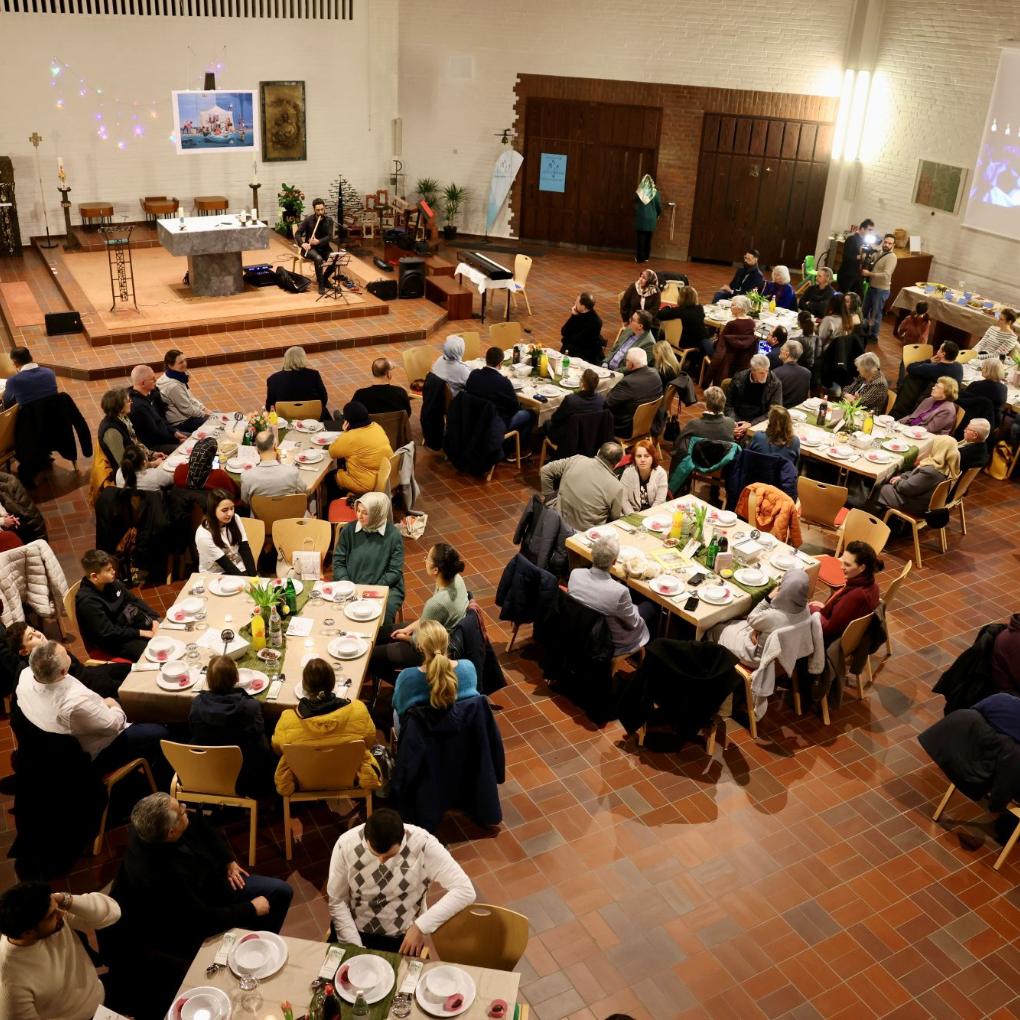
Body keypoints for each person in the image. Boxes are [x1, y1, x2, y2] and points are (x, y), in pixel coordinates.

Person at [112, 793, 293, 957]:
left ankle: (259, 944)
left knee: (280, 891)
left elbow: (201, 825)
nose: (185, 808)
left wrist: (228, 860)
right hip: (189, 917)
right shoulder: (160, 875)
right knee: (266, 901)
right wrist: (251, 908)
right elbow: (200, 918)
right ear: (171, 832)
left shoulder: (159, 826)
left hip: (209, 883)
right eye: (181, 811)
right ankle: (248, 952)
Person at [327, 807, 476, 954]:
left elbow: (465, 890)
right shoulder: (345, 844)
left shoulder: (424, 845)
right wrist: (355, 948)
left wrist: (420, 926)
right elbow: (337, 901)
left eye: (389, 856)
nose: (381, 861)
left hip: (400, 937)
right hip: (354, 930)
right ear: (366, 839)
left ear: (402, 837)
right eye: (375, 854)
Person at [17, 639, 168, 771]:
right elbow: (113, 726)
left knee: (142, 701)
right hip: (101, 748)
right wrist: (114, 705)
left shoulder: (25, 676)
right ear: (63, 671)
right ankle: (159, 771)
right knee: (161, 732)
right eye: (66, 655)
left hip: (76, 728)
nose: (69, 654)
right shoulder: (73, 704)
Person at [0, 882, 121, 1020]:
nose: (61, 913)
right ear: (28, 932)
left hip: (100, 999)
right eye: (52, 915)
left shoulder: (53, 922)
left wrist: (64, 899)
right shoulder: (9, 980)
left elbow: (113, 913)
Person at [271, 657, 381, 795]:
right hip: (350, 775)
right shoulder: (358, 711)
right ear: (333, 683)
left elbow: (277, 748)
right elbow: (370, 741)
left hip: (304, 778)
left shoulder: (287, 720)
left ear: (304, 687)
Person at [372, 543, 469, 674]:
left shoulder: (436, 604)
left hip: (431, 651)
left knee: (371, 656)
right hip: (435, 633)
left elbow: (420, 642)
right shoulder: (456, 579)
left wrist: (405, 637)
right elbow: (427, 619)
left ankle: (401, 680)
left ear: (436, 570)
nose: (425, 560)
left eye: (427, 558)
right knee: (378, 633)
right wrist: (408, 629)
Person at [189, 655, 274, 797]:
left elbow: (193, 729)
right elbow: (258, 733)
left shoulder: (197, 704)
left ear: (208, 680)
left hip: (207, 771)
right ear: (237, 678)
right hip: (245, 777)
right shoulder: (251, 706)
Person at [568, 533, 657, 656]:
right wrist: (634, 607)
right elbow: (633, 623)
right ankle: (651, 654)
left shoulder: (575, 574)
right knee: (651, 606)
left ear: (592, 554)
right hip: (607, 642)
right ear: (614, 561)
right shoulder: (619, 591)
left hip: (580, 630)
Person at [332, 492, 405, 627]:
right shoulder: (349, 530)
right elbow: (338, 561)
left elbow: (394, 571)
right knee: (337, 614)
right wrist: (347, 583)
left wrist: (371, 591)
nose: (359, 516)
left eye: (365, 513)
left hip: (385, 586)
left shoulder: (393, 535)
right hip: (351, 585)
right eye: (358, 510)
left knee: (381, 619)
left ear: (377, 514)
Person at [7, 621, 129, 700]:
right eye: (31, 637)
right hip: (89, 689)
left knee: (128, 668)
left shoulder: (47, 647)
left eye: (34, 630)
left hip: (89, 673)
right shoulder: (42, 667)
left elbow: (79, 669)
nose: (38, 634)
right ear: (24, 652)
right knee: (132, 687)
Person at [714, 568, 810, 666]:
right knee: (735, 623)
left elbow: (751, 618)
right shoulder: (806, 609)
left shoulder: (773, 616)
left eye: (782, 584)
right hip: (781, 656)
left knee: (716, 628)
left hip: (756, 657)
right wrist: (757, 629)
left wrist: (768, 598)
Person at [75, 549, 159, 660]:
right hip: (113, 641)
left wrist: (154, 619)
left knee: (165, 630)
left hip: (129, 625)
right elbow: (108, 633)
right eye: (108, 570)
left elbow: (133, 600)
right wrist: (141, 633)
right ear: (95, 576)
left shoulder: (110, 582)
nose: (113, 571)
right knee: (152, 653)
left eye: (112, 568)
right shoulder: (88, 603)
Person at [392, 619, 479, 721]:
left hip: (421, 729)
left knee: (395, 713)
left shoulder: (406, 677)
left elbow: (399, 707)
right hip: (463, 726)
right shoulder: (468, 667)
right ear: (447, 642)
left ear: (419, 646)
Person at [539, 441, 625, 531]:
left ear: (598, 451)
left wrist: (548, 498)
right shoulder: (617, 486)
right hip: (585, 535)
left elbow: (545, 470)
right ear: (617, 463)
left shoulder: (576, 460)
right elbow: (615, 517)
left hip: (558, 522)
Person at [809, 541, 883, 644]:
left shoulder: (856, 596)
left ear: (862, 567)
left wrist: (814, 610)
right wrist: (824, 608)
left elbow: (828, 630)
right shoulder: (872, 584)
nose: (841, 567)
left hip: (830, 642)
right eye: (842, 561)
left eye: (847, 565)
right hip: (848, 635)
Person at [465, 347, 535, 452]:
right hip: (494, 423)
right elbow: (514, 409)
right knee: (531, 414)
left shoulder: (474, 374)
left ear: (486, 359)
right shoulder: (503, 382)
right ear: (501, 364)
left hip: (474, 418)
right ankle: (515, 450)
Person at [876, 434, 960, 515]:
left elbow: (906, 488)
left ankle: (874, 518)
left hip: (913, 504)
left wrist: (897, 482)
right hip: (920, 499)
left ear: (938, 448)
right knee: (890, 481)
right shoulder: (947, 466)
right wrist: (902, 476)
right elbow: (916, 474)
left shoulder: (932, 471)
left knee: (879, 488)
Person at [328, 400, 395, 495]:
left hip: (365, 485)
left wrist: (345, 432)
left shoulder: (351, 437)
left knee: (330, 477)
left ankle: (340, 501)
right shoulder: (376, 426)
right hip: (385, 478)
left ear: (347, 422)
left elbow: (332, 452)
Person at [98, 386, 161, 472]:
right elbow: (123, 464)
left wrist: (152, 454)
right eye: (128, 401)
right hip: (130, 475)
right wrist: (152, 464)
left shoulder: (123, 418)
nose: (131, 402)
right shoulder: (112, 431)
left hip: (141, 463)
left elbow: (135, 443)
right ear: (119, 406)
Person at [195, 488, 256, 575]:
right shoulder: (203, 535)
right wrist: (245, 580)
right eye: (224, 510)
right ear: (212, 510)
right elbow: (225, 564)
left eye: (232, 508)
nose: (230, 513)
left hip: (238, 566)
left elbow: (244, 548)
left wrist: (254, 577)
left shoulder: (235, 518)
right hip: (215, 573)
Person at [605, 347, 663, 436]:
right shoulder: (656, 374)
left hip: (624, 428)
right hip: (648, 423)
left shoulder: (628, 382)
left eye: (626, 360)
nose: (625, 362)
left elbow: (607, 403)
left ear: (631, 364)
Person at [128, 365, 185, 453]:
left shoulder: (149, 396)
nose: (156, 381)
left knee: (192, 437)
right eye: (153, 379)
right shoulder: (139, 406)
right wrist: (176, 440)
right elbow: (155, 433)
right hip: (155, 446)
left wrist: (174, 432)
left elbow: (160, 420)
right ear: (143, 383)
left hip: (166, 437)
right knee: (188, 448)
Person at [672, 386, 736, 462]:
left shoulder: (694, 424)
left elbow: (678, 443)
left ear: (706, 404)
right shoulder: (731, 423)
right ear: (724, 403)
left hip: (697, 463)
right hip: (722, 464)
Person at [545, 368, 606, 447]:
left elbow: (555, 419)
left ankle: (543, 450)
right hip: (590, 437)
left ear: (582, 383)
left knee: (546, 423)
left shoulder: (571, 400)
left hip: (570, 439)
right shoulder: (601, 399)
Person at [239, 429, 302, 505]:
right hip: (290, 511)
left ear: (256, 448)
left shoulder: (246, 476)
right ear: (275, 445)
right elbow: (303, 491)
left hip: (260, 512)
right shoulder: (292, 472)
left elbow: (245, 501)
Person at [726, 354, 783, 438]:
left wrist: (751, 424)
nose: (765, 375)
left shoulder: (775, 383)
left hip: (759, 422)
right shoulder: (739, 378)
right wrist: (734, 422)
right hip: (737, 417)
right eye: (761, 373)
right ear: (752, 370)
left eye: (767, 371)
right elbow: (729, 404)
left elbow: (774, 411)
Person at [265, 346, 330, 419]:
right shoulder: (314, 375)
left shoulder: (273, 379)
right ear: (303, 359)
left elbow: (269, 406)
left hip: (285, 419)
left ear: (286, 359)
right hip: (313, 417)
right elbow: (324, 398)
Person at [705, 295, 756, 386]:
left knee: (706, 343)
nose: (730, 307)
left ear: (740, 308)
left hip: (727, 358)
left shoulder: (731, 324)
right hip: (742, 359)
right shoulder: (752, 323)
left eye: (733, 305)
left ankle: (701, 377)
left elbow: (720, 344)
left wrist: (714, 342)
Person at [155, 349, 209, 433]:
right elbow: (188, 410)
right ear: (170, 365)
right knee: (215, 423)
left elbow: (190, 397)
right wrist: (205, 414)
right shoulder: (173, 387)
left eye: (184, 360)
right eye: (180, 362)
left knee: (216, 415)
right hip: (182, 423)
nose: (184, 364)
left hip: (187, 416)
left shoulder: (175, 375)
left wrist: (203, 408)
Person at [172, 435, 239, 498]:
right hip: (212, 505)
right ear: (212, 458)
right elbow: (234, 494)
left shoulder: (179, 470)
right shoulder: (220, 476)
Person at [658, 284, 711, 361]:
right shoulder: (699, 309)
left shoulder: (679, 311)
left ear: (681, 298)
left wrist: (667, 307)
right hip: (697, 341)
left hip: (682, 342)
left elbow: (660, 315)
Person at [860, 233, 898, 341]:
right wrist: (864, 252)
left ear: (893, 245)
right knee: (864, 310)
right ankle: (862, 331)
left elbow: (886, 275)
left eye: (889, 243)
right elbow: (869, 260)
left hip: (881, 289)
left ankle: (874, 335)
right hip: (872, 286)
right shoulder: (879, 253)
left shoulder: (892, 257)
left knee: (875, 314)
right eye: (885, 242)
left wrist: (869, 274)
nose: (886, 245)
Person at [295, 197, 335, 294]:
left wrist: (318, 241)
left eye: (322, 209)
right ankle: (321, 285)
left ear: (324, 208)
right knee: (318, 258)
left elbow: (330, 237)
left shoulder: (329, 220)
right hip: (310, 249)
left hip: (324, 247)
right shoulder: (308, 220)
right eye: (318, 210)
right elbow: (297, 234)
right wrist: (302, 244)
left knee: (335, 258)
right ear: (314, 209)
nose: (320, 212)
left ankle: (324, 278)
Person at [620, 438, 668, 513]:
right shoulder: (627, 473)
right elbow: (623, 500)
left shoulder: (661, 474)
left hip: (654, 512)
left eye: (646, 456)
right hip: (633, 513)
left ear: (653, 457)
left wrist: (649, 516)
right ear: (634, 458)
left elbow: (660, 501)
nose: (642, 460)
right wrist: (633, 516)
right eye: (639, 456)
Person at [559, 292, 605, 364]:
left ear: (583, 307)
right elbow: (563, 331)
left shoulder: (595, 322)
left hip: (584, 353)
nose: (574, 303)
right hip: (573, 346)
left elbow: (577, 339)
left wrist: (568, 337)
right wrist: (573, 316)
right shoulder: (578, 314)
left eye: (577, 302)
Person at [963, 357, 1008, 427]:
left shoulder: (976, 385)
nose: (981, 369)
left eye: (983, 368)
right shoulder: (1004, 388)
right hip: (993, 422)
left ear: (989, 371)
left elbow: (964, 401)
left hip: (973, 420)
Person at [838, 218, 873, 295]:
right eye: (869, 230)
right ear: (862, 229)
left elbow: (870, 254)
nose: (871, 232)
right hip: (847, 275)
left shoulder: (865, 242)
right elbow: (847, 256)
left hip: (858, 276)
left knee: (857, 298)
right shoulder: (851, 239)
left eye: (871, 230)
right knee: (843, 297)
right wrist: (861, 256)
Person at [773, 340, 812, 408]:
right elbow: (808, 397)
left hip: (781, 412)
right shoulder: (807, 373)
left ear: (786, 354)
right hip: (799, 410)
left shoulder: (775, 373)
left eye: (782, 349)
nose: (780, 351)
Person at [633, 174, 661, 264]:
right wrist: (658, 214)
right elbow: (658, 206)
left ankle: (639, 258)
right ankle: (646, 257)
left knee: (640, 239)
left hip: (641, 218)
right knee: (648, 239)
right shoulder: (655, 193)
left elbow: (635, 204)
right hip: (651, 219)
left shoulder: (639, 192)